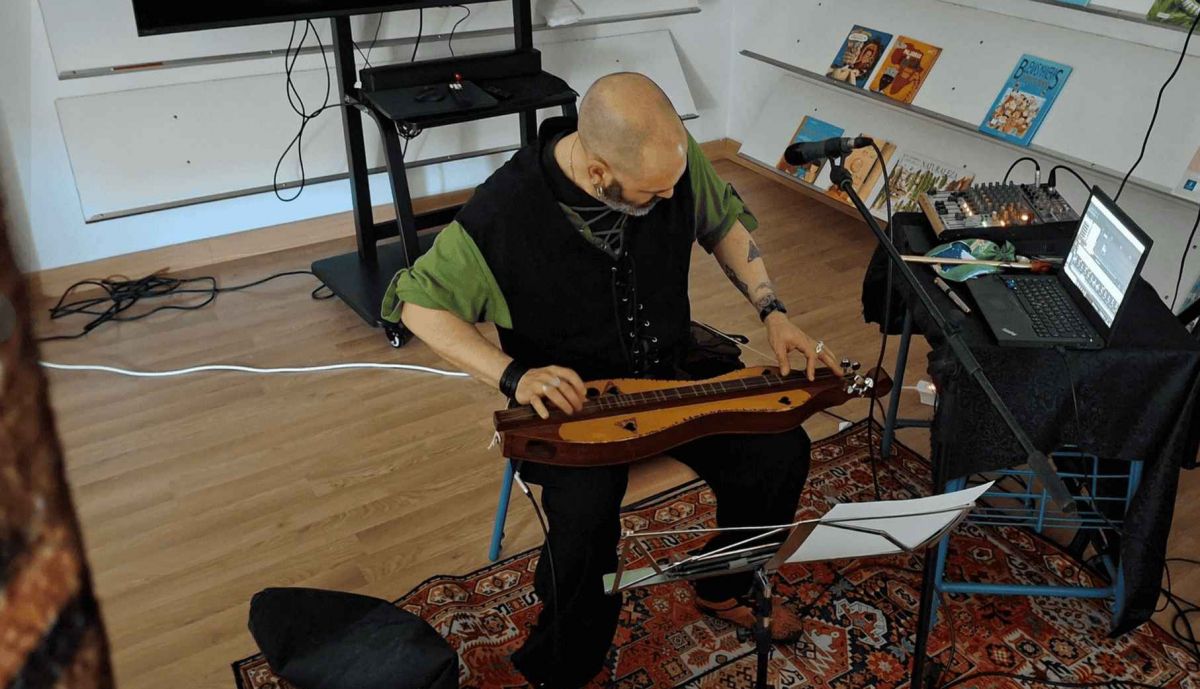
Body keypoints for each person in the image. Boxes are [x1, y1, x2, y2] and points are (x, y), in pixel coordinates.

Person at [382, 72, 841, 688]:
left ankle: (722, 585)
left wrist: (773, 311)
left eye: (673, 183)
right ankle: (565, 666)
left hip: (677, 373)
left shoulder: (668, 163)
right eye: (653, 193)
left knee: (780, 452)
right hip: (578, 406)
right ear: (599, 173)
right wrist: (514, 374)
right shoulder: (505, 209)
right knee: (583, 524)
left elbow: (723, 223)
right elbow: (417, 304)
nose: (669, 197)